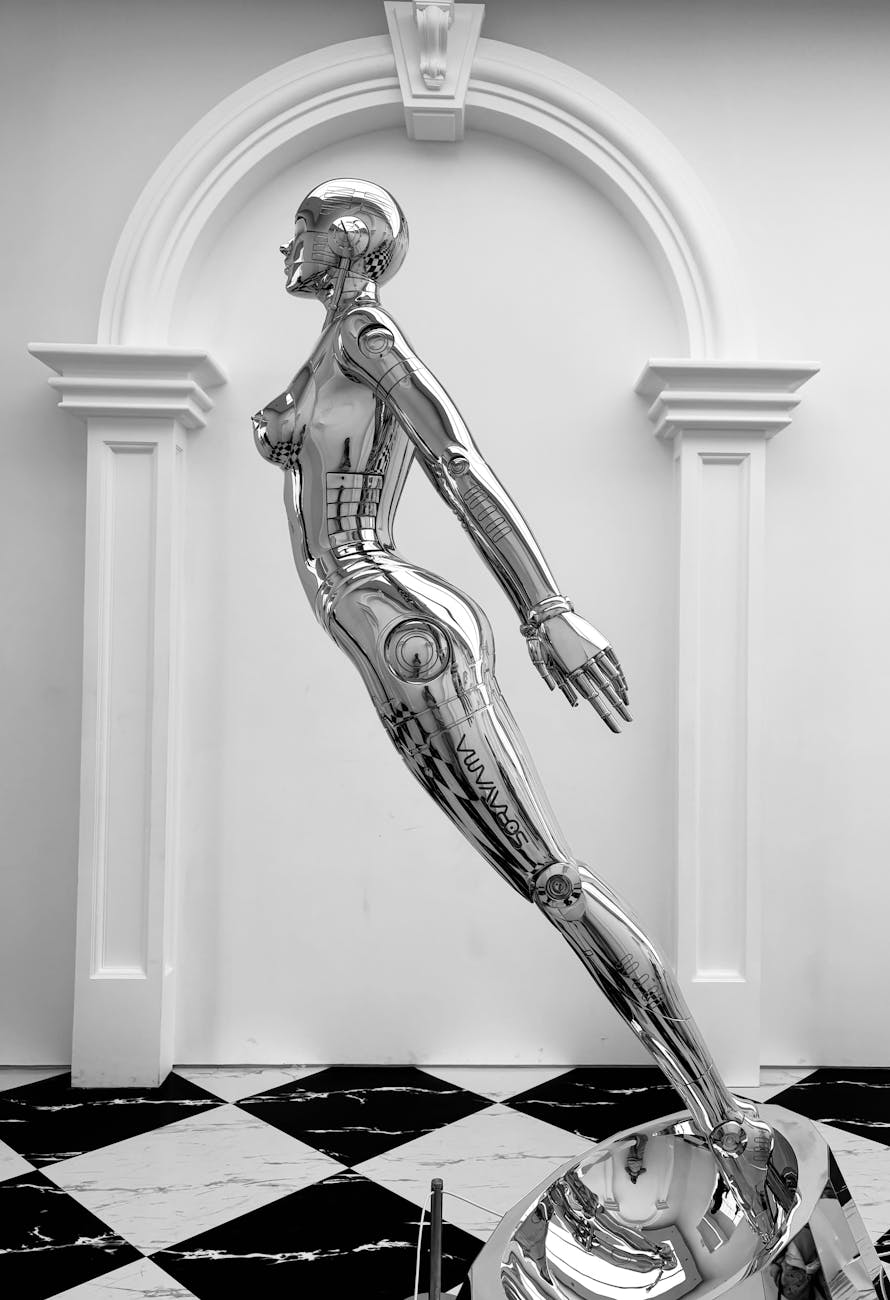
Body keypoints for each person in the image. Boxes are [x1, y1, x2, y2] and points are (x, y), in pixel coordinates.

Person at [252, 177, 792, 1257]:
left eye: (302, 228)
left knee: (554, 880)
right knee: (548, 882)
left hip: (405, 630)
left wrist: (546, 610)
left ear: (348, 242)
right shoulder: (330, 346)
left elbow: (457, 463)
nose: (286, 246)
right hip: (379, 634)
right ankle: (717, 1112)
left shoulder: (366, 337)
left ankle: (724, 1122)